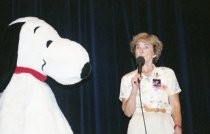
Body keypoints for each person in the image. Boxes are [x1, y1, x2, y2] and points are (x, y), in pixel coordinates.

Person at [119, 32, 182, 134]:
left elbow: (175, 105)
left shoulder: (167, 73)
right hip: (138, 126)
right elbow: (128, 113)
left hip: (164, 124)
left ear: (155, 53)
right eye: (138, 47)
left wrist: (178, 127)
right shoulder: (127, 79)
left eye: (146, 47)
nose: (141, 50)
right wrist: (134, 89)